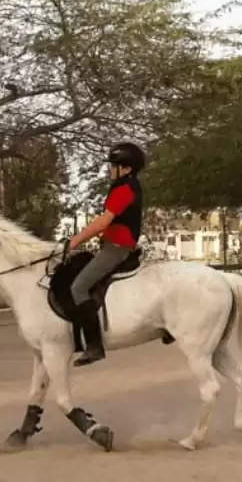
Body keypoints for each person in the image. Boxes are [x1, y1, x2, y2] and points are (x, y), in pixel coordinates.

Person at [65, 142, 146, 366]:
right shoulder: (126, 186)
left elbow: (103, 221)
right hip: (111, 245)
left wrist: (74, 241)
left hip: (116, 249)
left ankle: (94, 345)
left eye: (114, 165)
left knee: (79, 287)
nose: (110, 169)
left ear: (127, 169)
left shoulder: (124, 190)